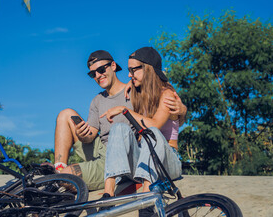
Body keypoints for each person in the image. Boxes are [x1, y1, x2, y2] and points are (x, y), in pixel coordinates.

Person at [53, 50, 186, 191]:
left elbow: (157, 89)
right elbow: (90, 135)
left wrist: (182, 110)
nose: (98, 75)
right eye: (93, 74)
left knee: (66, 177)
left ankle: (136, 191)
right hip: (103, 147)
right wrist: (82, 134)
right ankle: (58, 168)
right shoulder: (98, 100)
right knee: (66, 114)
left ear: (113, 66)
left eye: (101, 69)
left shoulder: (138, 92)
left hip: (128, 152)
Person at [100, 47, 183, 217]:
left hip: (168, 162)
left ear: (148, 69)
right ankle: (108, 196)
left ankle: (146, 200)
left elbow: (155, 125)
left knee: (151, 132)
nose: (129, 75)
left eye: (133, 70)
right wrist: (133, 84)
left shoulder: (167, 94)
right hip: (144, 160)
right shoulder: (138, 94)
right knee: (119, 129)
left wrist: (124, 110)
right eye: (128, 71)